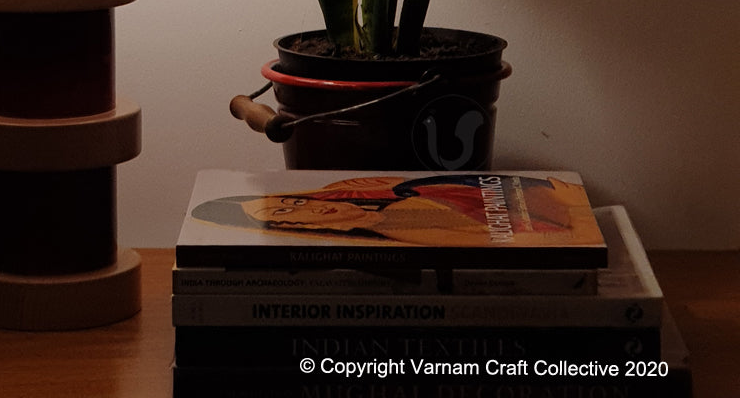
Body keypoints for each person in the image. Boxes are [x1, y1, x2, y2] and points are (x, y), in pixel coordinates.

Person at [191, 173, 601, 249]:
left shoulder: (367, 190)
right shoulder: (407, 229)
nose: (304, 208)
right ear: (292, 228)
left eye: (293, 200)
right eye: (283, 216)